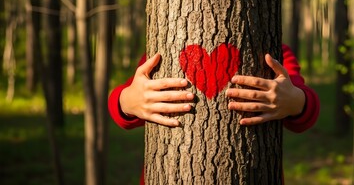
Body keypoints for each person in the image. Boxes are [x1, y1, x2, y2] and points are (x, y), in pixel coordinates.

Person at [108, 44, 320, 183]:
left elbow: (304, 104)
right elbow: (122, 102)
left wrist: (296, 101)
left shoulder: (275, 53)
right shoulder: (161, 50)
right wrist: (125, 101)